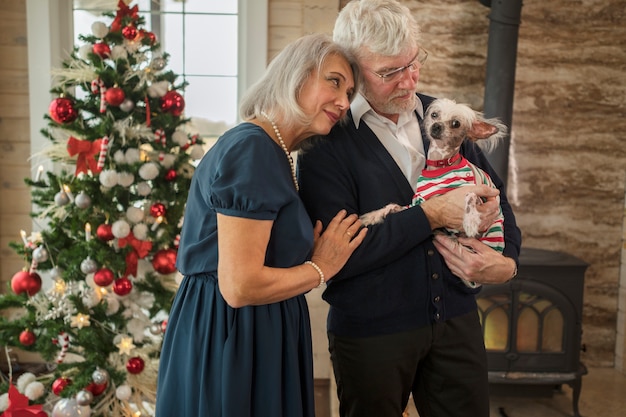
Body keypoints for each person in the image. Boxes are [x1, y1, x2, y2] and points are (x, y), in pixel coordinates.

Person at [297, 1, 522, 416]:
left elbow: (498, 200)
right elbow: (339, 257)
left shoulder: (446, 116)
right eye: (389, 72)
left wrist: (508, 263)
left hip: (456, 319)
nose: (409, 81)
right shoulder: (325, 144)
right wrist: (432, 214)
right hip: (371, 334)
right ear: (351, 68)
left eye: (414, 63)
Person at [155, 33, 367, 417]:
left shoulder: (276, 151)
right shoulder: (252, 148)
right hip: (233, 336)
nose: (343, 101)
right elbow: (239, 286)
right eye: (334, 81)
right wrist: (322, 267)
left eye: (350, 92)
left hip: (253, 332)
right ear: (294, 76)